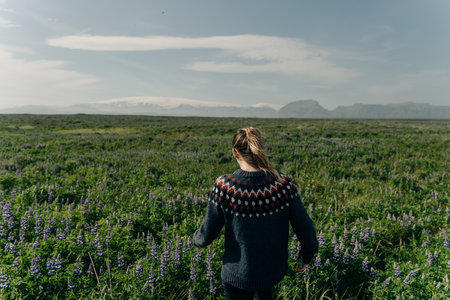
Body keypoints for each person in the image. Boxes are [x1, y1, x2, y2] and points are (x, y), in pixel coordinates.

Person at [193, 127, 318, 300]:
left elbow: (209, 229)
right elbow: (305, 227)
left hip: (236, 272)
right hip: (271, 271)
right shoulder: (282, 184)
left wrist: (199, 241)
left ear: (235, 152)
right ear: (260, 149)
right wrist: (307, 254)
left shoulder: (224, 186)